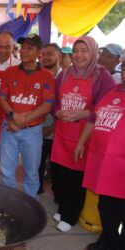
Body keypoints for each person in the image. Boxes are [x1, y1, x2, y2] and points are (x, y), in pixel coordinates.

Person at [50, 36, 115, 232]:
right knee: (59, 174)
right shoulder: (65, 73)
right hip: (62, 133)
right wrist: (58, 112)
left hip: (85, 135)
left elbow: (106, 107)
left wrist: (84, 113)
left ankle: (70, 216)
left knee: (76, 177)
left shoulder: (103, 77)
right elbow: (54, 101)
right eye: (76, 50)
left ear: (93, 52)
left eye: (84, 51)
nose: (79, 55)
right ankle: (63, 207)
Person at [75, 55, 125, 250]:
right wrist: (81, 142)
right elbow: (93, 119)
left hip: (122, 166)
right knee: (105, 207)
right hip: (105, 163)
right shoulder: (111, 91)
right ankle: (108, 241)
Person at [0, 34, 55, 198]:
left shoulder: (47, 76)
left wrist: (23, 121)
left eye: (29, 48)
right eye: (22, 47)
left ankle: (31, 206)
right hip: (9, 128)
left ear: (39, 53)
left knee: (31, 172)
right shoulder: (10, 72)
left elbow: (47, 105)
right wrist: (13, 115)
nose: (24, 51)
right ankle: (10, 204)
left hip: (33, 131)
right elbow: (1, 97)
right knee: (6, 170)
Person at [0, 31, 20, 181]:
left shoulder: (19, 67)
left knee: (8, 164)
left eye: (7, 47)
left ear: (13, 46)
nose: (3, 50)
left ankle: (7, 194)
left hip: (9, 119)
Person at [37, 43, 62, 194]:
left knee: (58, 168)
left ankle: (59, 199)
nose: (45, 57)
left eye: (50, 54)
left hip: (58, 131)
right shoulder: (37, 75)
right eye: (43, 54)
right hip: (38, 130)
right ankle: (37, 193)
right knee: (37, 165)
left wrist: (53, 128)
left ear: (59, 56)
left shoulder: (66, 77)